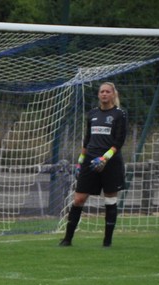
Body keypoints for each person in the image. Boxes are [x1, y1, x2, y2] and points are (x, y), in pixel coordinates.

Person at [60, 81, 127, 247]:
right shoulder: (92, 114)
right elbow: (87, 140)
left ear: (113, 94)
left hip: (110, 162)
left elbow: (119, 141)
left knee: (110, 200)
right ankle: (67, 239)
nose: (104, 94)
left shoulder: (120, 114)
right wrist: (80, 162)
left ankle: (107, 241)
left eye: (107, 92)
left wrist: (104, 158)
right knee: (78, 199)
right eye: (101, 92)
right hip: (90, 161)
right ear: (98, 95)